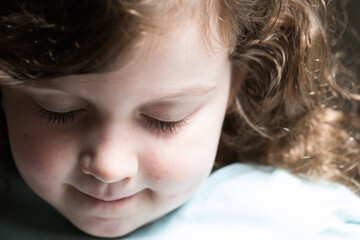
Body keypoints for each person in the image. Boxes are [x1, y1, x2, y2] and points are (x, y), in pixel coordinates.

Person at [0, 0, 359, 239]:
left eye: (165, 119)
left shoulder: (299, 225)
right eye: (59, 111)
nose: (110, 166)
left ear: (238, 81)